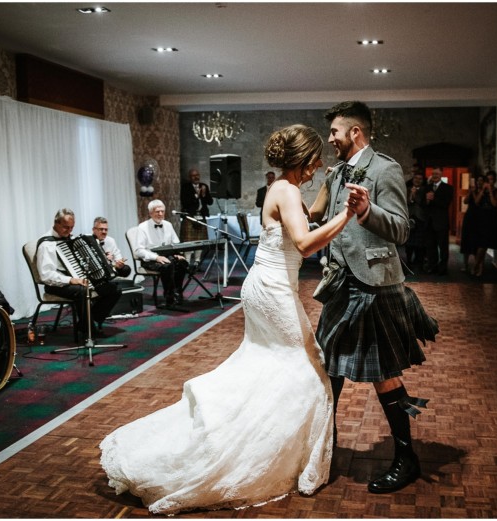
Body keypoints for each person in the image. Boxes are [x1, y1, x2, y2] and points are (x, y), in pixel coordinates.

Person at [100, 124, 360, 515]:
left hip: (265, 285)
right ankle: (250, 447)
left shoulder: (284, 191)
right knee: (309, 372)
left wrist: (331, 186)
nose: (318, 165)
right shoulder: (286, 191)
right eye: (315, 159)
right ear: (301, 159)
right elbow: (306, 244)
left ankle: (268, 441)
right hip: (272, 290)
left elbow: (309, 219)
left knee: (271, 365)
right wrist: (348, 214)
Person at [310, 101, 438, 494]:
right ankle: (322, 452)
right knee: (326, 371)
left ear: (355, 133)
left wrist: (368, 211)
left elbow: (401, 229)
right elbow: (321, 220)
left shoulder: (386, 169)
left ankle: (406, 458)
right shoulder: (335, 173)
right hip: (339, 287)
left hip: (374, 286)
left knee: (383, 376)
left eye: (334, 132)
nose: (330, 139)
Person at [36, 208, 121, 337]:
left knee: (113, 289)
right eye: (66, 227)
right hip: (56, 284)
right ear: (56, 223)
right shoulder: (47, 245)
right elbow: (46, 275)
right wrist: (70, 280)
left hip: (78, 279)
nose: (69, 231)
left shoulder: (72, 239)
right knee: (82, 291)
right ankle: (89, 330)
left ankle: (85, 322)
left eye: (72, 227)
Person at [134, 200, 189, 309]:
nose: (160, 214)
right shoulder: (142, 227)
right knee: (167, 266)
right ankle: (169, 298)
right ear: (150, 213)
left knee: (182, 262)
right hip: (150, 260)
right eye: (157, 212)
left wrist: (177, 253)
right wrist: (156, 257)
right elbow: (139, 251)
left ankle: (177, 293)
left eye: (162, 211)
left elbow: (176, 242)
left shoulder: (168, 225)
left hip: (168, 256)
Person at [423, 167, 454, 276]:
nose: (435, 175)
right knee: (431, 247)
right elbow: (423, 205)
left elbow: (445, 204)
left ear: (441, 174)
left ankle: (443, 269)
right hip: (429, 222)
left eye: (437, 173)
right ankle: (432, 267)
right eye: (433, 173)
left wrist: (433, 199)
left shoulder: (448, 188)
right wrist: (427, 200)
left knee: (443, 247)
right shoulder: (427, 187)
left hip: (441, 222)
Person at [471, 170, 497, 277]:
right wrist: (482, 191)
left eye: (491, 179)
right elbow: (476, 202)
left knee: (484, 245)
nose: (489, 182)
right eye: (487, 180)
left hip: (491, 220)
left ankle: (476, 266)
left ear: (494, 180)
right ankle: (480, 268)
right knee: (480, 245)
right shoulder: (482, 190)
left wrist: (490, 192)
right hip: (480, 219)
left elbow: (494, 204)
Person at [179, 168, 213, 264]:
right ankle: (187, 262)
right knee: (188, 241)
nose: (196, 177)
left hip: (201, 216)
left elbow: (210, 202)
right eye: (193, 175)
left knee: (200, 241)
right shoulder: (185, 187)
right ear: (190, 177)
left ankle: (197, 262)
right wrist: (196, 196)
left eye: (197, 175)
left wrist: (204, 194)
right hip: (190, 216)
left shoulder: (204, 186)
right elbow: (185, 202)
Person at [404, 170, 428, 268]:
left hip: (420, 219)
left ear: (422, 181)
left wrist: (415, 195)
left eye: (420, 179)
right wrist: (411, 195)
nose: (417, 180)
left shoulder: (425, 190)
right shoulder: (407, 189)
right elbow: (406, 202)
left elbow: (423, 203)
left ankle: (419, 262)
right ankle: (408, 261)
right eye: (415, 178)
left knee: (420, 243)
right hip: (409, 218)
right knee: (408, 243)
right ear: (413, 179)